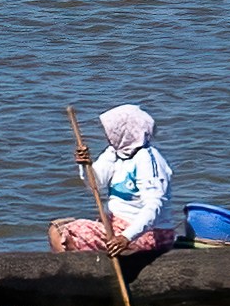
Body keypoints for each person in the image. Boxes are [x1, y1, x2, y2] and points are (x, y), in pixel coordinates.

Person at [52, 104, 180, 258]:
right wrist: (85, 165)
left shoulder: (148, 160)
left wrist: (126, 237)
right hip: (116, 224)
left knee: (67, 233)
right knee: (57, 227)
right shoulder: (114, 152)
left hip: (149, 233)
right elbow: (94, 185)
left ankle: (85, 276)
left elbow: (153, 206)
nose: (107, 135)